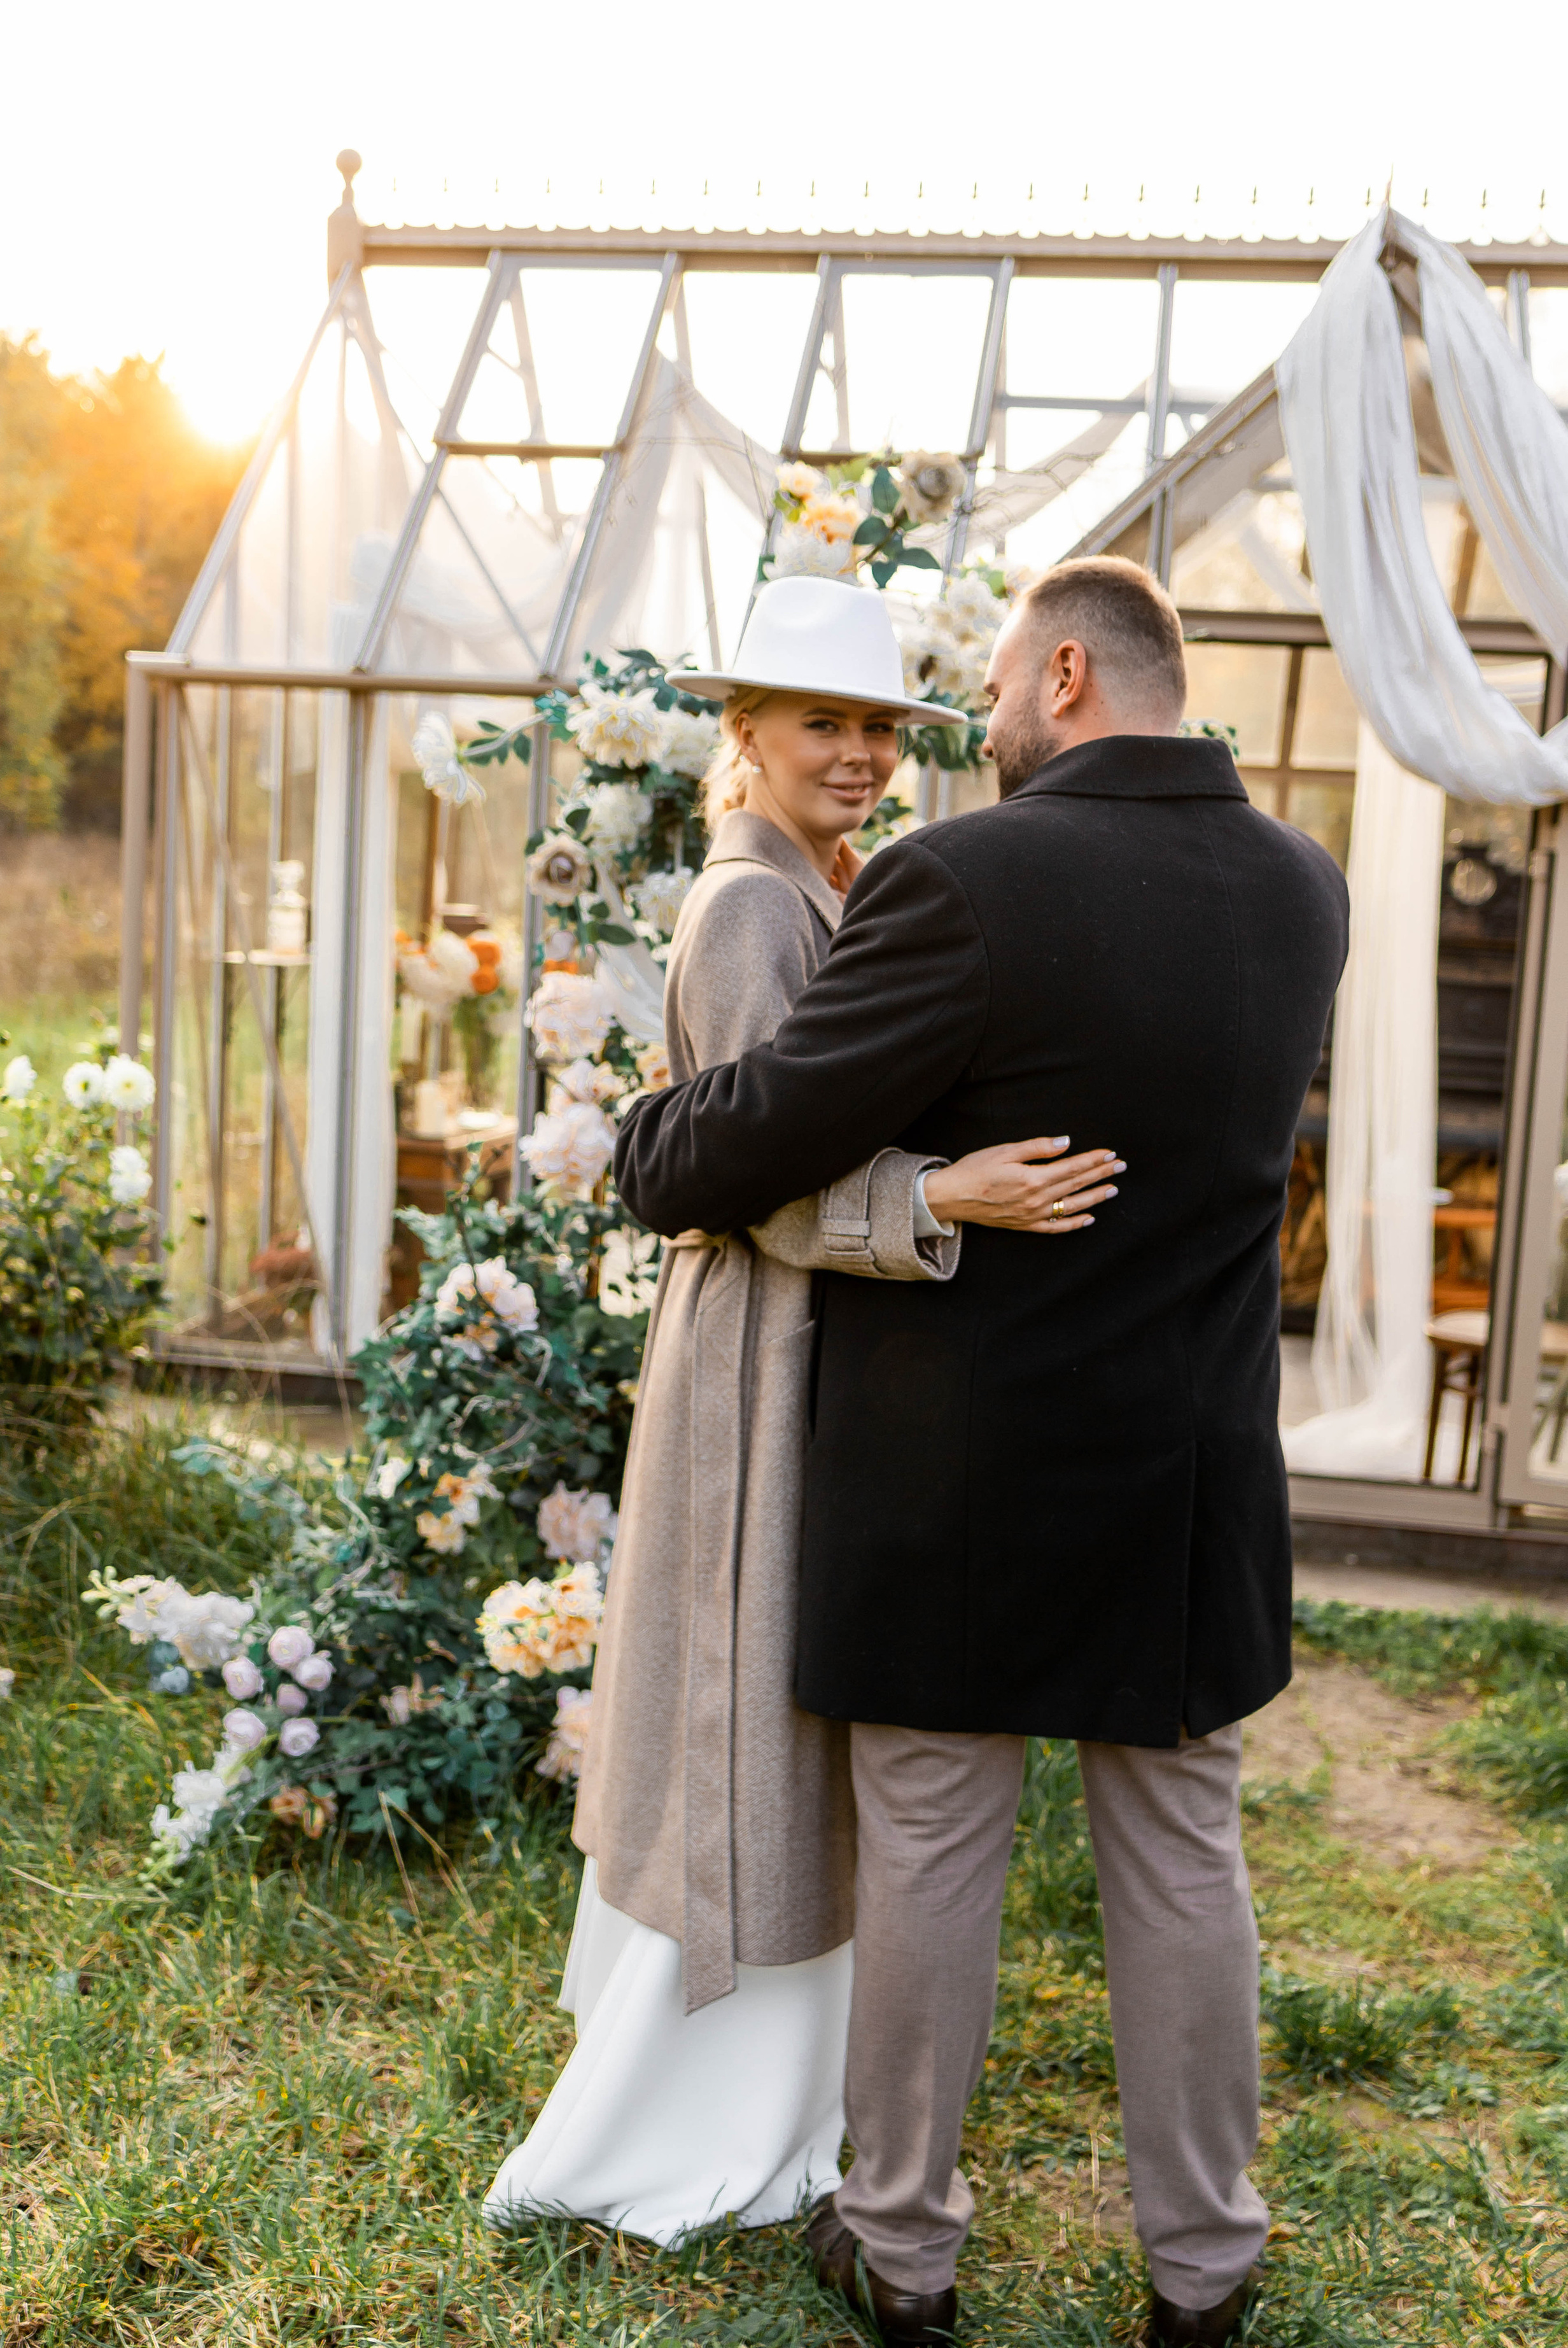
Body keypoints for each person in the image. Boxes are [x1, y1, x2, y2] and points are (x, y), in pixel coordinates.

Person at [616, 556, 1350, 2348]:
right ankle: (1208, 2266)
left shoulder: (964, 879)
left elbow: (753, 1139)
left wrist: (647, 1139)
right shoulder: (1303, 892)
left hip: (954, 1482)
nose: (990, 718)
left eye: (1006, 685)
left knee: (937, 1847)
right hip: (1186, 1479)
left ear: (1073, 675)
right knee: (1183, 1855)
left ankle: (906, 2251)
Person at [485, 577, 1121, 2245]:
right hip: (760, 1353)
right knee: (747, 1706)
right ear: (743, 736)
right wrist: (946, 1196)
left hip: (816, 1345)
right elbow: (755, 1184)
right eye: (819, 725)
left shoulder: (828, 885)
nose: (855, 755)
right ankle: (697, 2110)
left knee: (784, 1712)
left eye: (876, 729)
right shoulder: (749, 908)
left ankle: (784, 2087)